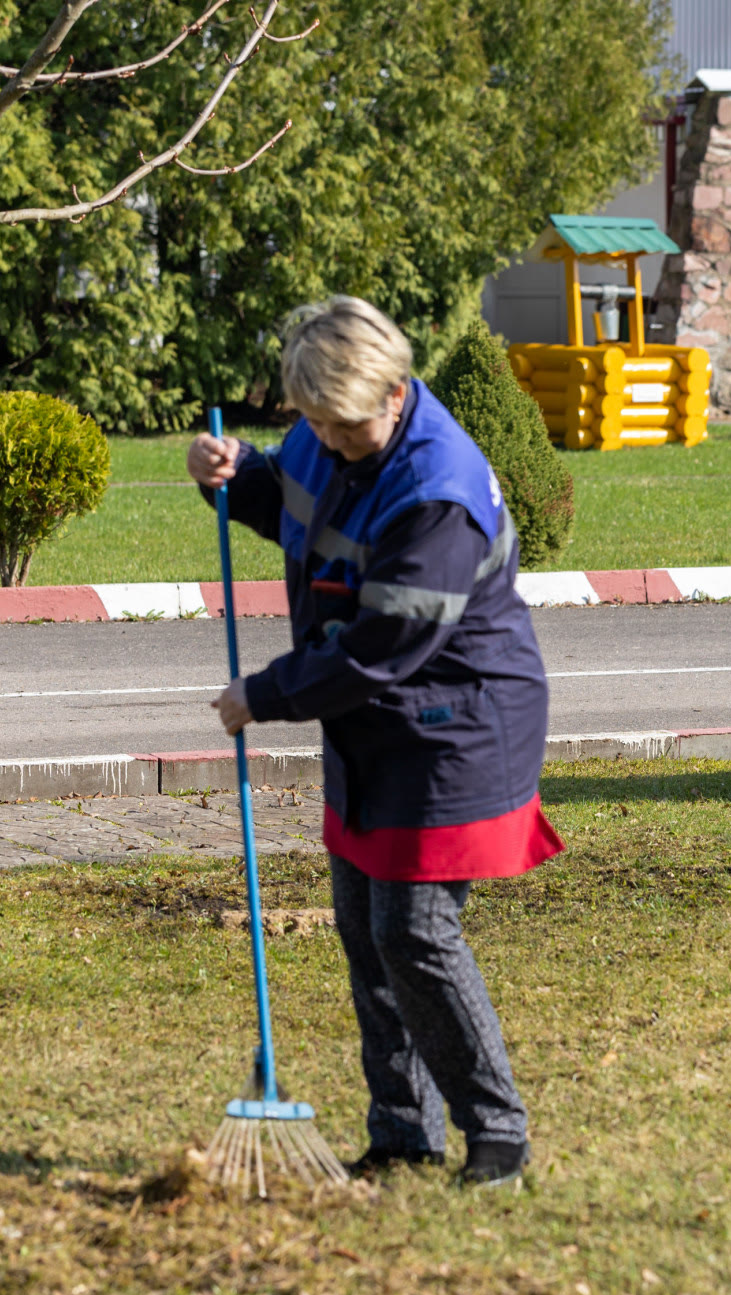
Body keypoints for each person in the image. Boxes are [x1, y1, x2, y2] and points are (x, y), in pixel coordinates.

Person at [186, 295, 562, 1188]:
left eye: (345, 424)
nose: (330, 437)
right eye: (314, 421)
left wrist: (264, 695)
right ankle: (402, 1131)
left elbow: (383, 644)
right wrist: (234, 474)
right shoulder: (334, 426)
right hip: (370, 725)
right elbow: (294, 499)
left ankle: (498, 1132)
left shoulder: (439, 493)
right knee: (364, 925)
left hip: (456, 724)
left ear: (394, 393)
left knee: (416, 932)